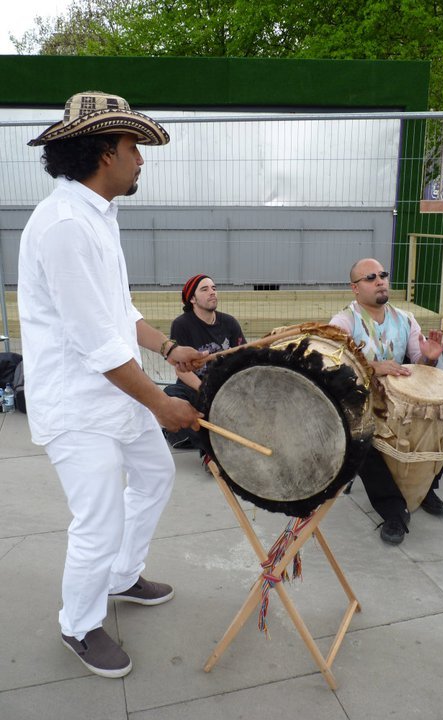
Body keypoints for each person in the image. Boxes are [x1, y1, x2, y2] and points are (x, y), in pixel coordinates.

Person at [17, 91, 209, 679]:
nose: (140, 159)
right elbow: (93, 343)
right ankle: (79, 623)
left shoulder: (97, 214)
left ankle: (122, 576)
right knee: (97, 517)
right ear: (105, 152)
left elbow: (119, 314)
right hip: (77, 405)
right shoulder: (64, 225)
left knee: (152, 476)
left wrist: (171, 348)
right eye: (133, 148)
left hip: (113, 394)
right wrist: (164, 403)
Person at [330, 257, 443, 545]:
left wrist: (429, 357)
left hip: (400, 403)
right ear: (355, 288)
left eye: (383, 274)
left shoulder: (405, 319)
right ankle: (394, 510)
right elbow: (332, 367)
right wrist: (372, 367)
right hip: (359, 402)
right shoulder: (343, 322)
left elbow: (420, 367)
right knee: (361, 438)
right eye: (370, 277)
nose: (380, 280)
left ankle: (425, 488)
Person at [163, 274, 246, 458]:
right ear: (192, 299)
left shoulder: (230, 323)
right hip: (196, 387)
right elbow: (181, 370)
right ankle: (212, 447)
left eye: (214, 288)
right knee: (170, 395)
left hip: (225, 387)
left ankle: (208, 434)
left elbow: (243, 360)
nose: (212, 292)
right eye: (205, 289)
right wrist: (205, 389)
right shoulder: (182, 324)